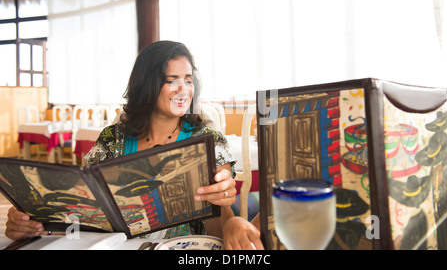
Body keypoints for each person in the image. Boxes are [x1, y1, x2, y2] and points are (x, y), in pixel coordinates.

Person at [5, 40, 263, 250]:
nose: (183, 89)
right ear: (147, 84)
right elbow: (83, 214)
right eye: (171, 80)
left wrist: (234, 224)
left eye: (188, 79)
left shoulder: (208, 142)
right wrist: (33, 224)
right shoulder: (111, 140)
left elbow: (218, 220)